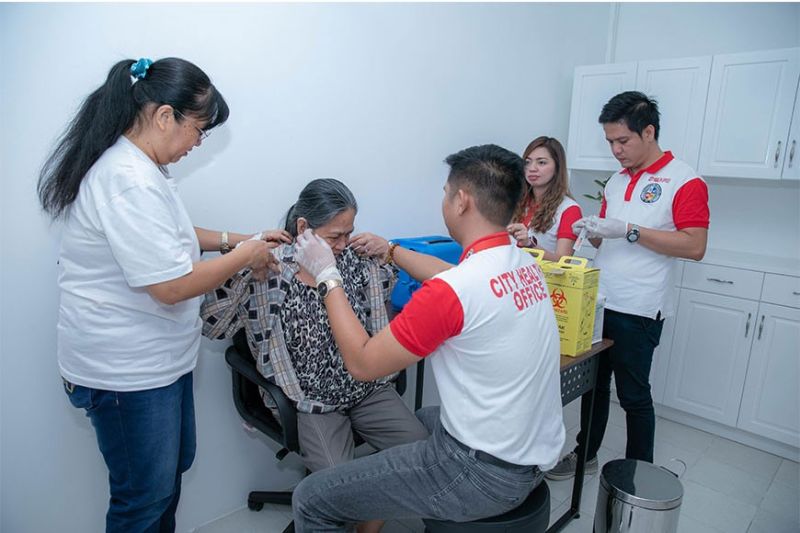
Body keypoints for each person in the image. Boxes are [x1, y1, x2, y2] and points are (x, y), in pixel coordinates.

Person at [37, 57, 286, 532]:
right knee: (143, 499)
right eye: (199, 130)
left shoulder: (143, 169)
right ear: (165, 116)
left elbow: (171, 234)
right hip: (125, 372)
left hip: (157, 361)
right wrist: (246, 255)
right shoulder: (125, 180)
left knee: (166, 480)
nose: (198, 143)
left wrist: (242, 239)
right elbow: (170, 286)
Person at [290, 144, 565, 532]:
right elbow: (450, 275)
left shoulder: (452, 293)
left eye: (446, 193)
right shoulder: (523, 263)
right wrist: (391, 251)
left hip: (483, 476)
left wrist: (326, 274)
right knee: (420, 420)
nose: (444, 200)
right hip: (533, 456)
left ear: (462, 201)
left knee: (312, 499)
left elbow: (363, 363)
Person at [201, 178, 428, 533]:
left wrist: (387, 250)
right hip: (311, 401)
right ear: (304, 227)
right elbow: (212, 325)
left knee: (422, 456)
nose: (343, 244)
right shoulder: (270, 267)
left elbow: (394, 293)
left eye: (348, 233)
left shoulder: (353, 259)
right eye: (335, 236)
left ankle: (368, 528)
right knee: (337, 490)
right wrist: (242, 263)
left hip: (366, 386)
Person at [546, 91, 710, 480]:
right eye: (610, 142)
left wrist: (629, 230)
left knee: (634, 396)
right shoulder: (617, 182)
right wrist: (593, 230)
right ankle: (585, 455)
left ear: (648, 132)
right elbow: (611, 237)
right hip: (601, 301)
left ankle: (640, 476)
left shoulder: (685, 180)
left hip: (640, 307)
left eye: (622, 141)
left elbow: (695, 246)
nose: (616, 150)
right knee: (594, 386)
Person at [506, 136, 583, 260]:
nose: (532, 168)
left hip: (542, 273)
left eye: (541, 162)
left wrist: (529, 244)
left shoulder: (569, 209)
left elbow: (562, 262)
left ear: (557, 167)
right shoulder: (516, 201)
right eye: (527, 162)